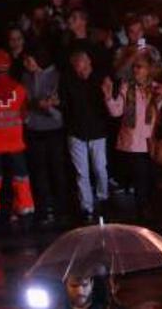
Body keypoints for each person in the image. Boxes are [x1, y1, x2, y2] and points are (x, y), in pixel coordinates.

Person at [0, 49, 35, 226]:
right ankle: (25, 212)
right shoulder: (20, 89)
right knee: (21, 179)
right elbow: (25, 117)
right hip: (15, 143)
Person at [103, 53, 161, 218]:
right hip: (133, 142)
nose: (136, 70)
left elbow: (161, 113)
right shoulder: (126, 87)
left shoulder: (156, 88)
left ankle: (149, 209)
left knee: (151, 179)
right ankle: (143, 212)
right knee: (140, 180)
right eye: (134, 66)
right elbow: (116, 111)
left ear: (148, 70)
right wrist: (108, 97)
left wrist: (161, 97)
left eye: (140, 66)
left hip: (151, 140)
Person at [62, 50, 110, 222]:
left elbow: (107, 105)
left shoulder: (99, 80)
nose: (77, 66)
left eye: (80, 62)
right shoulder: (69, 82)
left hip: (97, 132)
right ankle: (86, 207)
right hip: (76, 133)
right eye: (75, 64)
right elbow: (66, 106)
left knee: (99, 168)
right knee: (82, 172)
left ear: (88, 61)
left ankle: (103, 198)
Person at [22, 49, 67, 222]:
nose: (26, 62)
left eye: (29, 58)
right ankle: (44, 206)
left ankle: (61, 206)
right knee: (39, 170)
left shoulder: (55, 75)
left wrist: (50, 106)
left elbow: (60, 100)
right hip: (34, 128)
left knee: (56, 168)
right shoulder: (26, 77)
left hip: (54, 128)